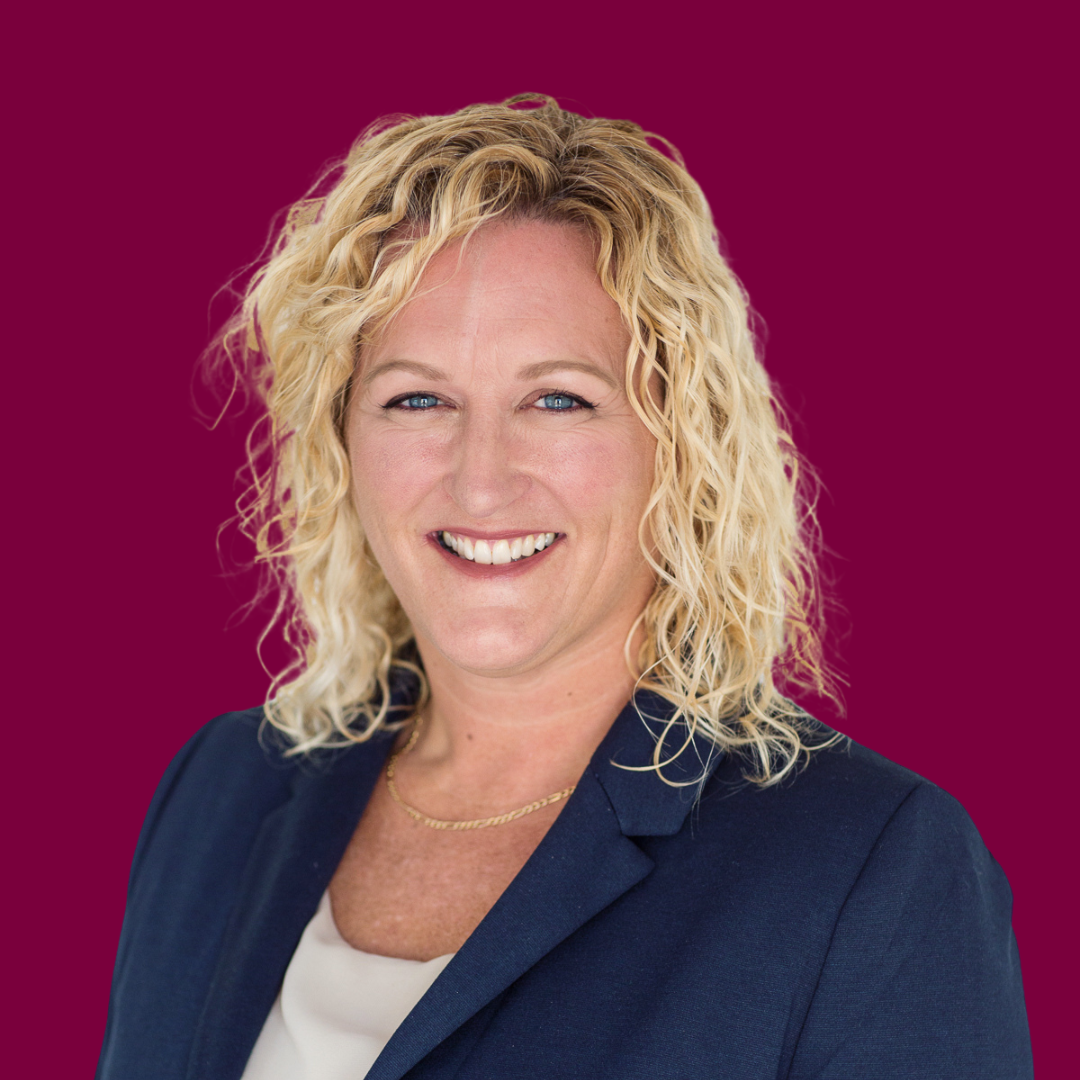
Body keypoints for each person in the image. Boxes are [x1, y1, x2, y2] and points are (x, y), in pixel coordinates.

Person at [96, 95, 1032, 1079]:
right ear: (342, 441)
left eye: (557, 399)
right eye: (416, 398)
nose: (481, 479)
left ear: (679, 443)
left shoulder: (865, 864)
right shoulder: (225, 787)